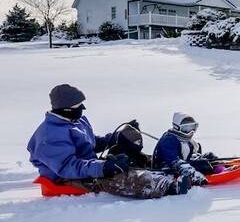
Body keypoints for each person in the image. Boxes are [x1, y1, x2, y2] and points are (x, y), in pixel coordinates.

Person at [27, 84, 190, 198]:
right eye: (78, 105)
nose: (82, 109)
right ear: (65, 108)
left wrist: (117, 137)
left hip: (86, 165)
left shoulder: (75, 120)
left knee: (124, 153)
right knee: (114, 176)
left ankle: (161, 164)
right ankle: (167, 185)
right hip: (66, 176)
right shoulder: (49, 135)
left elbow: (90, 143)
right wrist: (104, 167)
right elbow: (67, 167)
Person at [152, 113, 216, 186]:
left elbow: (186, 156)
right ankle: (214, 171)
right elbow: (174, 161)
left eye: (193, 127)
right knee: (203, 164)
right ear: (177, 128)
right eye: (187, 129)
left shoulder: (186, 140)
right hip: (167, 169)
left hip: (183, 164)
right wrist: (193, 173)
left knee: (210, 156)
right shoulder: (169, 140)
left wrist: (197, 157)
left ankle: (218, 166)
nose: (191, 131)